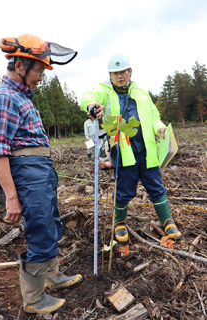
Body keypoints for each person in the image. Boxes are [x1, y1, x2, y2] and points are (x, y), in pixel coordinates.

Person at [0, 34, 82, 314]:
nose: (41, 77)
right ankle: (33, 299)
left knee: (51, 223)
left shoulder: (23, 96)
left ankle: (52, 276)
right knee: (40, 230)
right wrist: (10, 196)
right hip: (26, 173)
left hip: (39, 171)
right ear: (19, 66)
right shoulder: (5, 97)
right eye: (39, 71)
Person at [80, 52, 181, 245]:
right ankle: (119, 223)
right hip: (124, 152)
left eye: (123, 71)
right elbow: (88, 96)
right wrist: (90, 105)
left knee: (156, 186)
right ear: (110, 75)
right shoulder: (104, 90)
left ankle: (167, 221)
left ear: (130, 71)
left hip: (147, 150)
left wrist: (159, 127)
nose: (119, 76)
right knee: (125, 189)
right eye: (115, 72)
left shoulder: (141, 92)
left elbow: (153, 116)